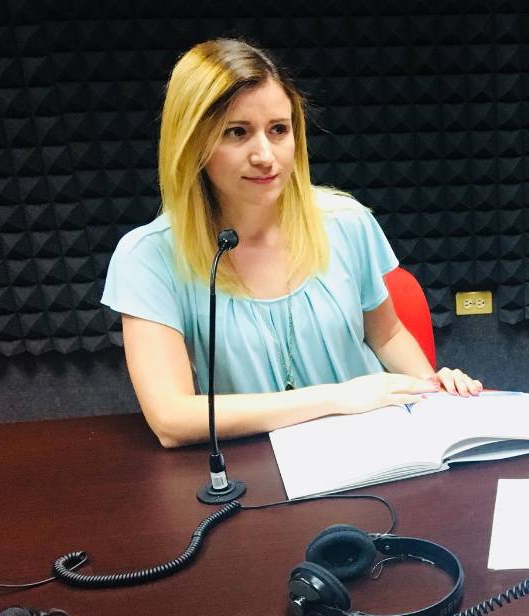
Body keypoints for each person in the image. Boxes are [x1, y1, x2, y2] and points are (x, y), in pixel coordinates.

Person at [102, 39, 481, 448]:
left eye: (278, 130)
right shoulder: (148, 257)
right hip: (262, 460)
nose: (265, 155)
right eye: (237, 132)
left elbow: (387, 335)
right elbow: (171, 419)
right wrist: (337, 399)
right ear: (192, 142)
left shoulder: (346, 221)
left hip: (378, 446)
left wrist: (430, 390)